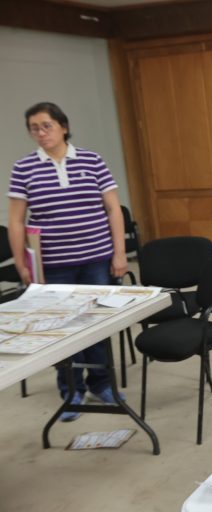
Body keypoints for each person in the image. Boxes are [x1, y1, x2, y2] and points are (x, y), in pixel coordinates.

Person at [7, 102, 128, 421]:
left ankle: (102, 384)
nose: (40, 133)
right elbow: (17, 220)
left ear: (63, 126)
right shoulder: (24, 168)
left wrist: (119, 253)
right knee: (63, 328)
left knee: (96, 324)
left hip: (96, 259)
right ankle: (71, 390)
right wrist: (23, 264)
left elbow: (113, 209)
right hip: (54, 265)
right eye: (33, 128)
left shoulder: (92, 160)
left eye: (46, 125)